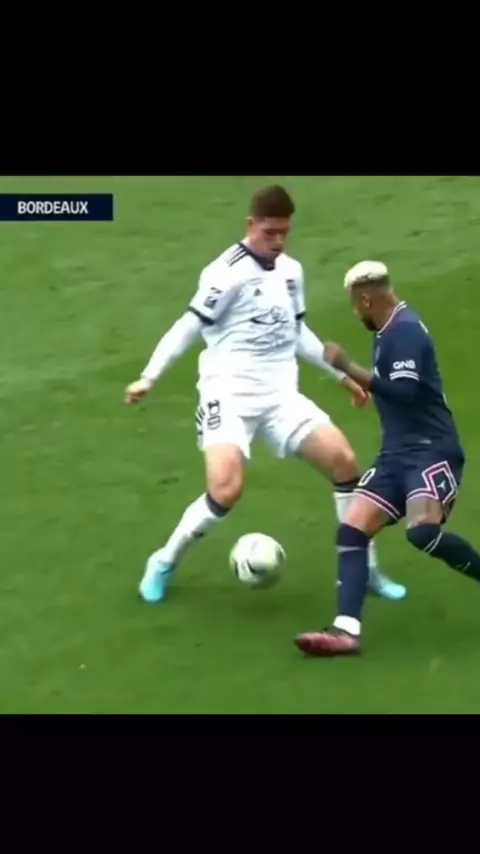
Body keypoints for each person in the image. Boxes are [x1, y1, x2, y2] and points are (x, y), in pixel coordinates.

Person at [125, 189, 406, 604]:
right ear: (251, 225)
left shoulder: (291, 272)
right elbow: (187, 326)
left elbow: (297, 333)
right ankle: (164, 561)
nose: (278, 241)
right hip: (228, 394)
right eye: (270, 232)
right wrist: (149, 377)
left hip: (280, 397)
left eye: (284, 233)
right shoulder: (224, 273)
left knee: (345, 463)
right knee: (226, 489)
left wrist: (343, 376)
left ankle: (362, 570)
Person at [295, 259, 480, 657]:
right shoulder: (388, 330)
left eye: (354, 305)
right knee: (352, 529)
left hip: (431, 451)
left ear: (365, 299)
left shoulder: (405, 331)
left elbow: (404, 393)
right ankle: (345, 632)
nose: (355, 313)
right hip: (396, 454)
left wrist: (347, 367)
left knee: (422, 532)